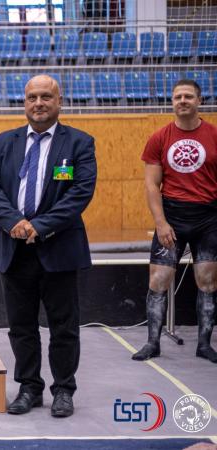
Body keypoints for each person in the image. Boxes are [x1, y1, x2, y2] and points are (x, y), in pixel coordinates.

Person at [0, 74, 97, 418]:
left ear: (60, 102)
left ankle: (63, 390)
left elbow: (80, 193)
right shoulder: (4, 142)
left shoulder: (79, 143)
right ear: (24, 102)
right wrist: (14, 222)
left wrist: (39, 226)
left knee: (64, 327)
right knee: (21, 327)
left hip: (59, 248)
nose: (39, 103)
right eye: (32, 97)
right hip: (13, 247)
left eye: (46, 96)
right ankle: (29, 388)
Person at [132, 79, 217, 363]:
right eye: (178, 96)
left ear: (199, 101)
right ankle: (152, 343)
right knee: (158, 280)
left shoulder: (214, 135)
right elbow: (151, 185)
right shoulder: (159, 138)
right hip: (172, 217)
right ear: (172, 101)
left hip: (208, 218)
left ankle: (204, 345)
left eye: (188, 96)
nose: (182, 101)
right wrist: (161, 222)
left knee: (208, 281)